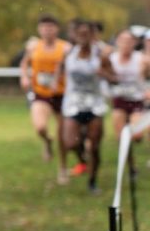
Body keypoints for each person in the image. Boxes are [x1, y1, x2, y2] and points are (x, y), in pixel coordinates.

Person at [61, 19, 116, 195]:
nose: (83, 38)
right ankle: (82, 159)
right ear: (75, 35)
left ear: (93, 35)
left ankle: (93, 181)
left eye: (87, 34)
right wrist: (55, 80)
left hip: (94, 103)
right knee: (70, 142)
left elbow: (114, 78)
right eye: (80, 34)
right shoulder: (69, 53)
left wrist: (105, 74)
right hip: (74, 102)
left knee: (94, 145)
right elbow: (59, 68)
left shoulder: (101, 55)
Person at [20, 15, 74, 182]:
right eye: (44, 27)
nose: (47, 30)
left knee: (63, 136)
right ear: (39, 29)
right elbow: (24, 64)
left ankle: (63, 168)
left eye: (51, 27)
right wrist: (24, 77)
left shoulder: (66, 47)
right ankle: (47, 141)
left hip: (61, 94)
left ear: (57, 29)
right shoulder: (33, 47)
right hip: (40, 93)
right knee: (40, 127)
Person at [109, 29, 149, 144]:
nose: (126, 43)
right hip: (119, 100)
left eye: (129, 40)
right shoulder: (111, 59)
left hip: (137, 100)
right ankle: (130, 161)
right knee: (121, 138)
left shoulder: (142, 59)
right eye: (123, 40)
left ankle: (136, 138)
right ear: (117, 41)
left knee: (136, 135)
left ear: (135, 42)